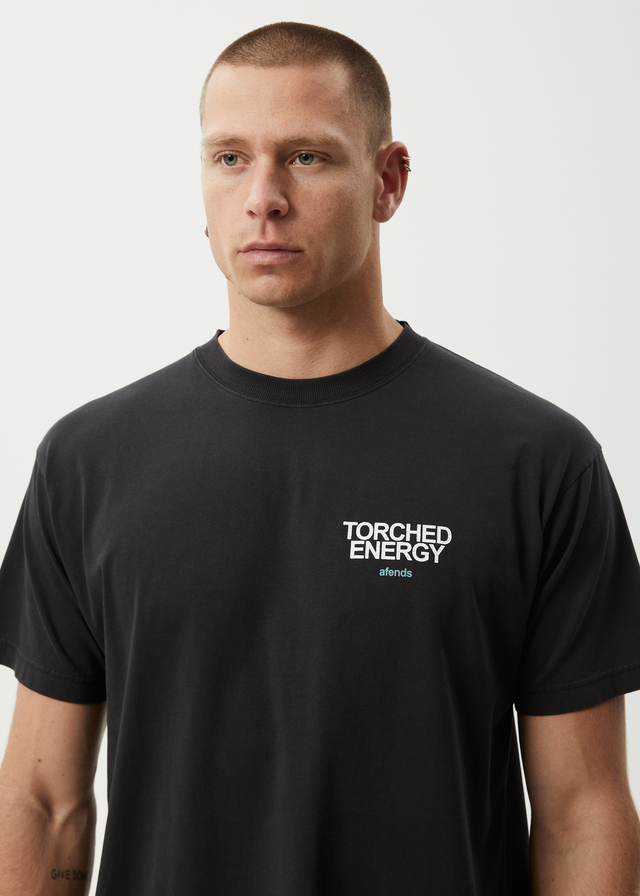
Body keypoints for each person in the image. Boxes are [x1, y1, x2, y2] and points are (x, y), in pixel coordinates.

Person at [0, 20, 639, 895]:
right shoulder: (88, 463)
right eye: (231, 158)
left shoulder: (536, 463)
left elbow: (582, 813)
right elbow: (44, 804)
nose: (263, 197)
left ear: (388, 181)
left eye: (307, 157)